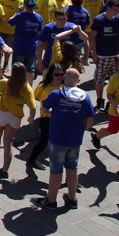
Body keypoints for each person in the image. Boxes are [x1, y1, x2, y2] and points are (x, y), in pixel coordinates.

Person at [31, 68, 95, 210]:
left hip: (58, 138)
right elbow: (90, 120)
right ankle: (72, 199)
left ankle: (51, 200)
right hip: (75, 140)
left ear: (65, 79)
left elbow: (43, 106)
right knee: (72, 168)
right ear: (78, 81)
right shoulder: (86, 97)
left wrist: (50, 112)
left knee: (56, 170)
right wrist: (81, 130)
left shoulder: (57, 94)